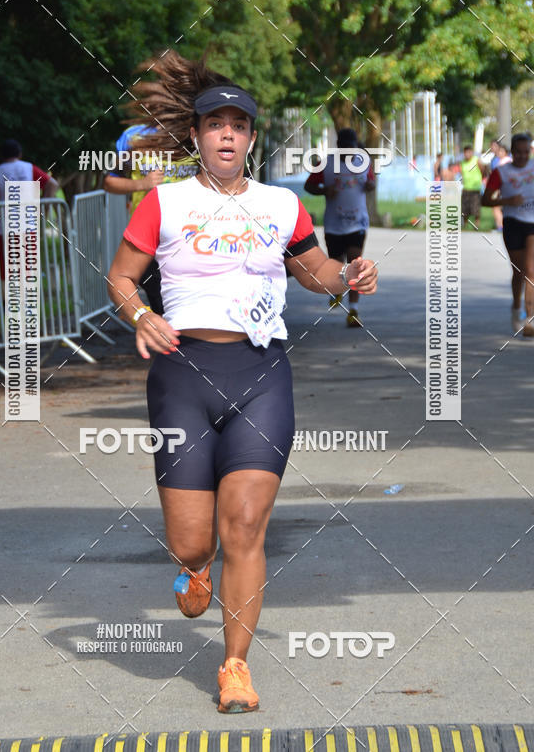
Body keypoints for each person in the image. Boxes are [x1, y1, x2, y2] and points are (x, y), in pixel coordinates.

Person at [107, 51, 378, 714]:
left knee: (247, 525)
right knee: (194, 539)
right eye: (214, 124)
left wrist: (349, 277)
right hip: (181, 376)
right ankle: (196, 568)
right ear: (196, 137)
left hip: (261, 374)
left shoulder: (281, 206)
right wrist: (142, 314)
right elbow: (119, 277)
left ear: (251, 138)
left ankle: (234, 667)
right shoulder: (163, 204)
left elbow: (314, 274)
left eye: (238, 124)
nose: (226, 134)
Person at [103, 124, 198, 313]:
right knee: (161, 303)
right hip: (151, 238)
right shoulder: (133, 137)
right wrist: (143, 183)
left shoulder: (196, 131)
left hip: (192, 238)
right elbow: (109, 182)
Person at [303, 127, 375, 327]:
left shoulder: (364, 162)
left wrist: (370, 186)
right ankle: (336, 290)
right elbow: (308, 186)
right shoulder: (325, 164)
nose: (350, 153)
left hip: (357, 222)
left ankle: (353, 311)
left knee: (355, 263)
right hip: (334, 223)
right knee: (337, 262)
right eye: (345, 149)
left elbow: (371, 182)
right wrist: (325, 190)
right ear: (338, 147)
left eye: (352, 149)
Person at [482, 132, 534, 336]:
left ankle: (530, 319)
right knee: (519, 273)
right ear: (512, 152)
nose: (522, 156)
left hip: (533, 224)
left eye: (526, 152)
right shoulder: (501, 172)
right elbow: (486, 200)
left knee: (531, 270)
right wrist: (507, 202)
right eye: (518, 152)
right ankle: (516, 308)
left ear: (530, 151)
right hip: (512, 223)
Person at [0, 139, 58, 280]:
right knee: (28, 270)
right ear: (19, 153)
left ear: (2, 155)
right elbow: (53, 184)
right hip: (28, 226)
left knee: (5, 272)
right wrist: (44, 206)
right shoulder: (28, 168)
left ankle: (6, 301)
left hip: (5, 228)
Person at [459, 145, 486, 229]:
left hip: (475, 189)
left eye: (468, 152)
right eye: (465, 152)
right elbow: (462, 174)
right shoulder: (462, 162)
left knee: (476, 209)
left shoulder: (476, 160)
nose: (467, 154)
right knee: (465, 209)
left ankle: (476, 225)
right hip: (466, 188)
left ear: (471, 152)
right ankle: (465, 225)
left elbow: (483, 170)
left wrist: (479, 180)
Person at [489, 142, 511, 230]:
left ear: (505, 152)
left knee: (496, 207)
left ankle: (501, 226)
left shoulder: (505, 162)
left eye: (501, 151)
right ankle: (501, 225)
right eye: (498, 151)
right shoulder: (505, 161)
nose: (499, 153)